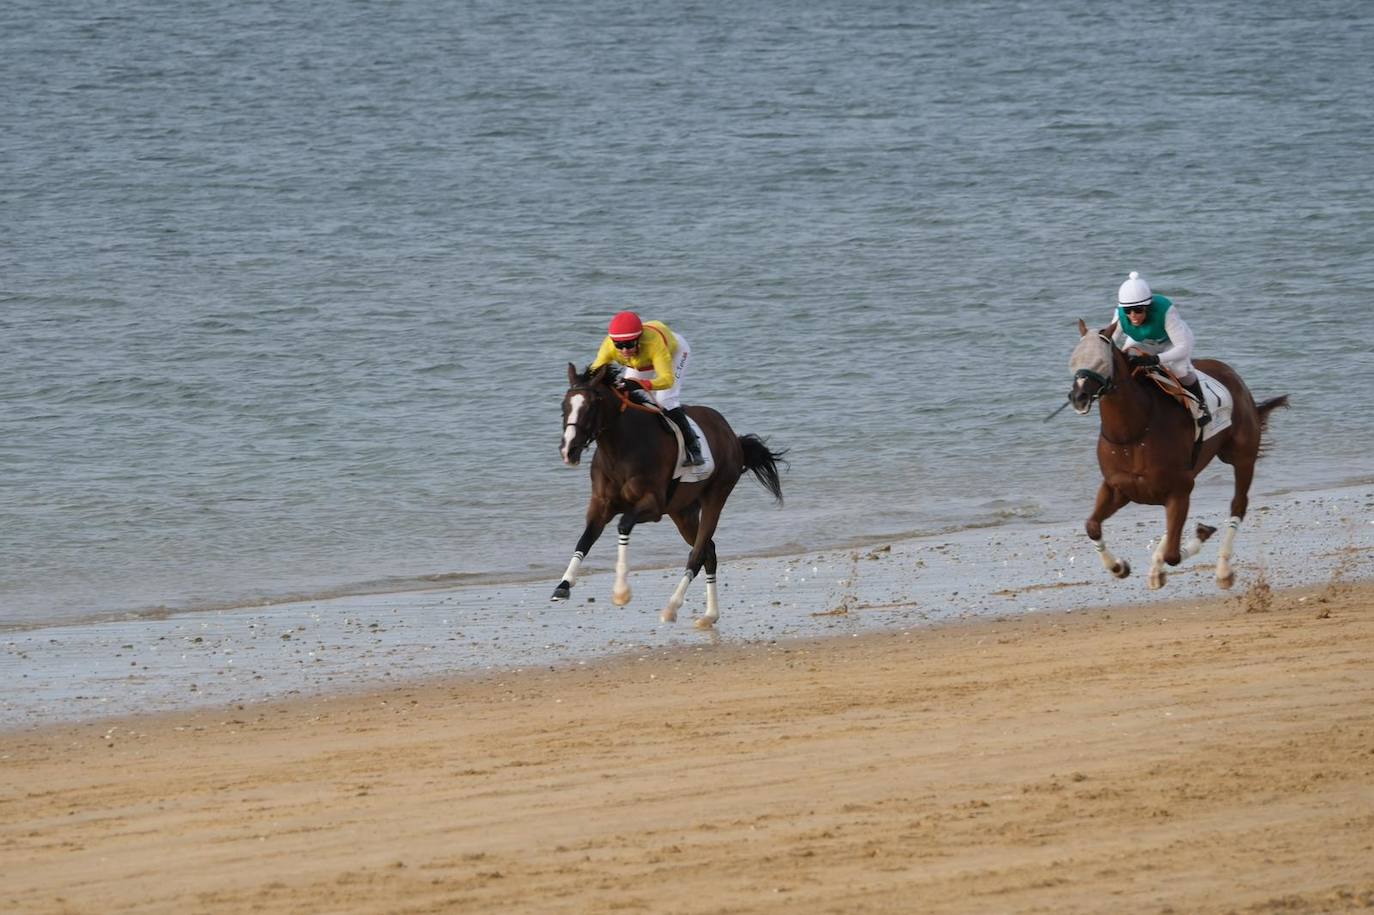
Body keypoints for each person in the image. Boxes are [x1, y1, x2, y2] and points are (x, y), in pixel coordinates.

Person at [590, 310, 705, 465]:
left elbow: (666, 380)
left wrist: (640, 384)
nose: (624, 351)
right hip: (641, 362)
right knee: (623, 394)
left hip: (673, 353)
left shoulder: (653, 344)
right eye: (619, 345)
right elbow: (594, 373)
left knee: (665, 399)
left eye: (629, 345)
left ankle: (693, 447)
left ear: (638, 340)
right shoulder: (609, 346)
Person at [1111, 271, 1211, 426]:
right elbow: (1109, 341)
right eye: (1128, 311)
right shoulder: (1119, 315)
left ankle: (1201, 405)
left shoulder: (1165, 311)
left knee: (1179, 369)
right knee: (1126, 361)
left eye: (1138, 310)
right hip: (1145, 341)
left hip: (1173, 341)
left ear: (1147, 307)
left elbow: (1182, 347)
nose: (1133, 315)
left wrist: (1156, 359)